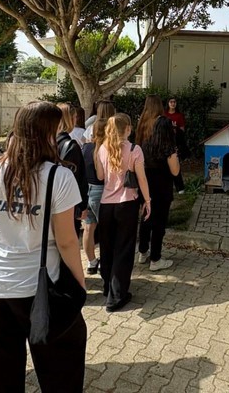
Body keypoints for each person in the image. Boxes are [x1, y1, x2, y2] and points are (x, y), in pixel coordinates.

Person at [0, 101, 86, 393]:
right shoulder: (59, 176)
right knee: (61, 369)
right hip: (38, 292)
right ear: (49, 133)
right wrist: (79, 283)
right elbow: (67, 241)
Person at [96, 113, 151, 312]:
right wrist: (148, 200)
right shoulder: (135, 149)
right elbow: (142, 178)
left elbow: (100, 176)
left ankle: (107, 286)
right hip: (127, 204)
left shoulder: (102, 148)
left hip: (106, 204)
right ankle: (117, 295)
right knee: (124, 249)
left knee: (107, 247)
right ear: (127, 128)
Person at [137, 116, 180, 271]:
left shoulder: (145, 145)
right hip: (162, 191)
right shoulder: (169, 149)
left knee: (146, 220)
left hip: (147, 190)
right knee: (159, 225)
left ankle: (142, 252)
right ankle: (156, 259)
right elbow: (175, 171)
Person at [81, 100, 116, 275]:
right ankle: (105, 261)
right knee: (106, 229)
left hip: (86, 190)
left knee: (89, 227)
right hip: (101, 190)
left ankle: (91, 261)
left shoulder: (85, 148)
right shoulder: (105, 149)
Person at [56, 103, 88, 237]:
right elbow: (78, 178)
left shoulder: (47, 142)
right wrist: (83, 205)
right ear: (69, 119)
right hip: (68, 203)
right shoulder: (71, 146)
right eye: (74, 117)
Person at [164, 97, 187, 194]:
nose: (173, 103)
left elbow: (182, 129)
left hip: (175, 143)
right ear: (168, 103)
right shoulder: (164, 115)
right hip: (165, 143)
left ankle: (179, 187)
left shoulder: (179, 115)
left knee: (175, 164)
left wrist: (175, 129)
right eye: (171, 102)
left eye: (174, 102)